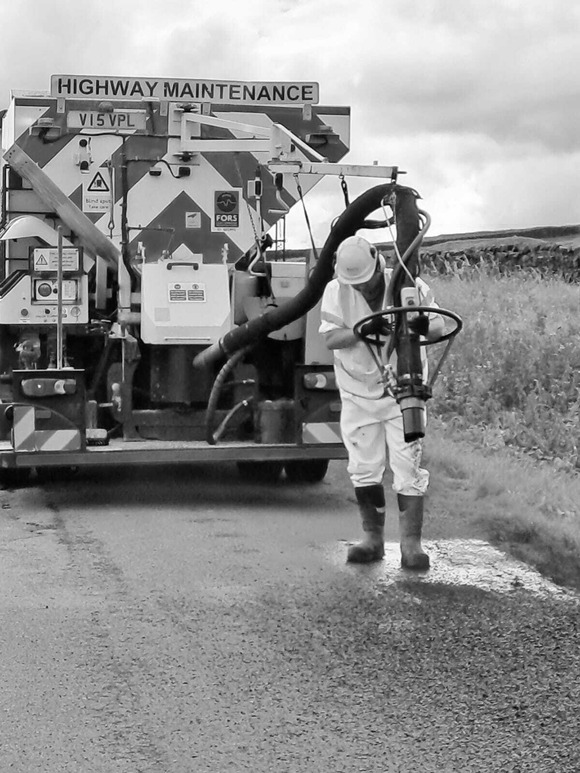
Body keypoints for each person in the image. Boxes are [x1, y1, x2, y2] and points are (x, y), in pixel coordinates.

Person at [319, 235, 444, 569]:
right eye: (358, 286)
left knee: (408, 465)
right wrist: (361, 331)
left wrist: (422, 325)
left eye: (369, 283)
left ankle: (411, 546)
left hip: (402, 391)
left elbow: (440, 325)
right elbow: (331, 338)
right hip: (357, 392)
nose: (365, 290)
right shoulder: (336, 291)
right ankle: (372, 541)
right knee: (363, 466)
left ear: (379, 267)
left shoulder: (408, 284)